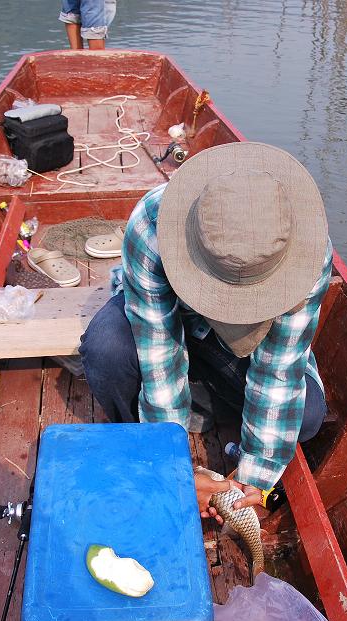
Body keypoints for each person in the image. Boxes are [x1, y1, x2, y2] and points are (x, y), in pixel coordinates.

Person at [80, 142, 332, 522]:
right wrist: (173, 468)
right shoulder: (152, 223)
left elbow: (278, 368)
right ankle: (151, 431)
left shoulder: (308, 254)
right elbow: (158, 349)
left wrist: (254, 477)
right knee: (106, 351)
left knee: (308, 414)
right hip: (170, 317)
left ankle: (197, 396)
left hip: (239, 345)